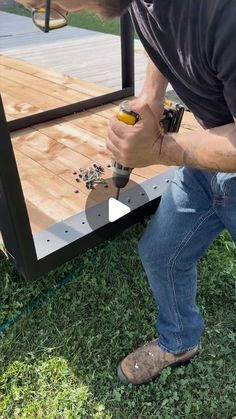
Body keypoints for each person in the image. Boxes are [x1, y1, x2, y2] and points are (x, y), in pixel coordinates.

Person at [17, 0, 236, 385]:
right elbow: (162, 35)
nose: (62, 15)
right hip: (210, 153)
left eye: (45, 6)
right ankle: (179, 341)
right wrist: (151, 95)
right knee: (162, 251)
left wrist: (162, 151)